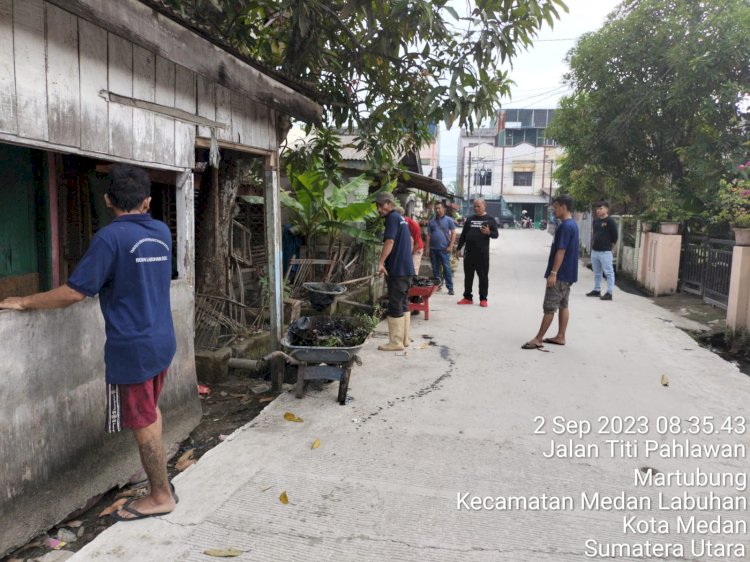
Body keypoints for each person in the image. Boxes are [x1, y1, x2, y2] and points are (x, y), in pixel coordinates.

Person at [0, 164, 178, 521]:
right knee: (150, 412)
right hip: (162, 341)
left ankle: (160, 495)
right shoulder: (161, 231)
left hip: (133, 348)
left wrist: (23, 301)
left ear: (108, 199)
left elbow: (73, 293)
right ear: (146, 201)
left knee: (142, 421)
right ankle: (160, 481)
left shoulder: (109, 239)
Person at [523, 195, 580, 349]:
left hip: (560, 274)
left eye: (555, 207)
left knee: (550, 307)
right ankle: (560, 336)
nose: (553, 210)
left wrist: (553, 273)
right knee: (563, 304)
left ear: (563, 207)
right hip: (568, 274)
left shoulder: (565, 226)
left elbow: (561, 251)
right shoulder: (572, 225)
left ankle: (538, 339)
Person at [375, 192, 415, 351]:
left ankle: (396, 342)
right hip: (407, 269)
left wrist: (380, 262)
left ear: (388, 204)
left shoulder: (392, 217)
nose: (378, 209)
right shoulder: (402, 219)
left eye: (380, 205)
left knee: (395, 304)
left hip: (398, 270)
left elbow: (389, 241)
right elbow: (410, 241)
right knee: (403, 303)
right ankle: (404, 339)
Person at [456, 198, 499, 307]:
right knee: (468, 276)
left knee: (483, 277)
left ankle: (483, 299)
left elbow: (496, 235)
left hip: (482, 255)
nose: (476, 208)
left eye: (478, 206)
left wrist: (489, 232)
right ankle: (467, 297)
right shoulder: (470, 219)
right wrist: (458, 249)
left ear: (484, 206)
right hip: (469, 253)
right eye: (475, 206)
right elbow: (463, 235)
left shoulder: (490, 219)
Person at [587, 201, 618, 300]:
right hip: (595, 251)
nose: (598, 210)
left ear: (606, 209)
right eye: (597, 209)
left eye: (601, 208)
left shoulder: (610, 221)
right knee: (596, 272)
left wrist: (610, 247)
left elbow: (615, 236)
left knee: (608, 272)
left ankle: (609, 292)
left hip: (605, 252)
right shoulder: (595, 221)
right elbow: (595, 233)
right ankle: (597, 290)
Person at [425, 201, 457, 295]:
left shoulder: (449, 220)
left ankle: (450, 288)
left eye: (439, 208)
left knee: (446, 268)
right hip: (433, 249)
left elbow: (454, 233)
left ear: (444, 209)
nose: (437, 210)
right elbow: (428, 235)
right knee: (435, 268)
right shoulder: (431, 221)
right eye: (436, 208)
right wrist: (427, 248)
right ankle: (437, 285)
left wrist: (451, 246)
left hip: (444, 249)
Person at [396, 206, 424, 276]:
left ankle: (413, 285)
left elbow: (417, 243)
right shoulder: (398, 223)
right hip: (407, 248)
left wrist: (410, 254)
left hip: (417, 248)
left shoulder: (413, 224)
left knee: (413, 270)